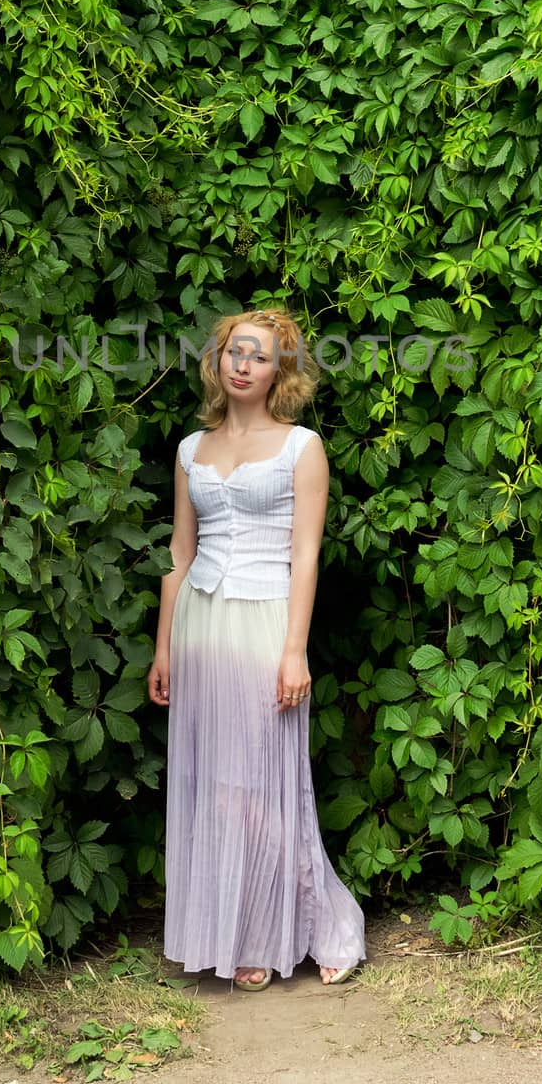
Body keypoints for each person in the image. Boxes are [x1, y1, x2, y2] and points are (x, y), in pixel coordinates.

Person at [148, 306, 366, 991]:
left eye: (259, 355)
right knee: (216, 788)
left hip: (267, 623)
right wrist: (163, 650)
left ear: (281, 373)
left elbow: (305, 557)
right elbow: (179, 557)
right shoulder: (190, 449)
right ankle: (242, 934)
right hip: (201, 628)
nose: (242, 364)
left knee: (263, 788)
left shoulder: (302, 447)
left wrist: (294, 650)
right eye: (232, 352)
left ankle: (314, 922)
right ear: (217, 362)